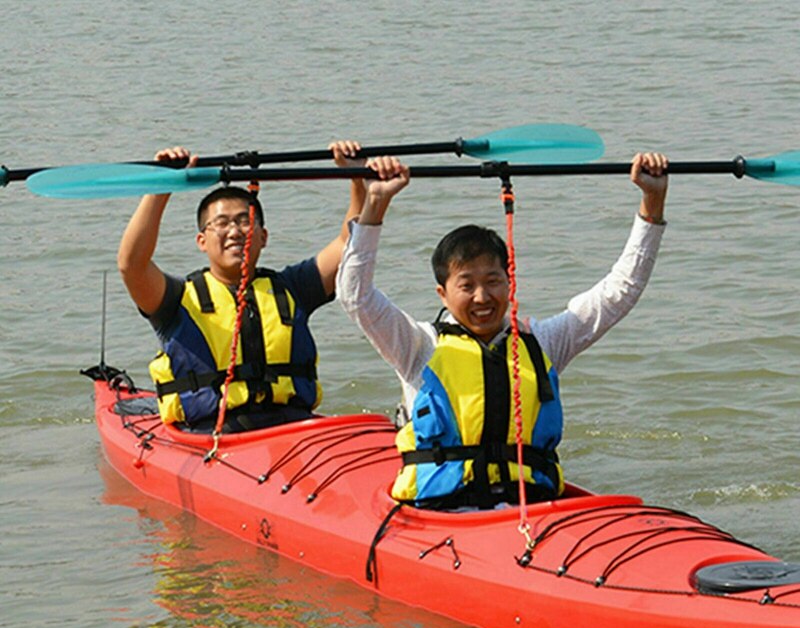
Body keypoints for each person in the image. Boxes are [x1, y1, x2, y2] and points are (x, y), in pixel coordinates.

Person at [337, 152, 669, 509]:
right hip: (445, 513)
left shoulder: (542, 342)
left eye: (493, 281)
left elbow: (619, 292)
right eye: (467, 285)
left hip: (531, 506)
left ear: (509, 282)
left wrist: (652, 203)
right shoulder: (417, 346)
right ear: (443, 294)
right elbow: (356, 296)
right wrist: (375, 204)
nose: (483, 297)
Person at [117, 141, 377, 432]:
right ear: (201, 241)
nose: (235, 231)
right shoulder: (176, 300)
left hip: (292, 428)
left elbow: (349, 244)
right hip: (209, 434)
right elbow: (132, 264)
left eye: (244, 221)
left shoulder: (293, 287)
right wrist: (161, 185)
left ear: (263, 236)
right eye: (222, 223)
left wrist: (356, 178)